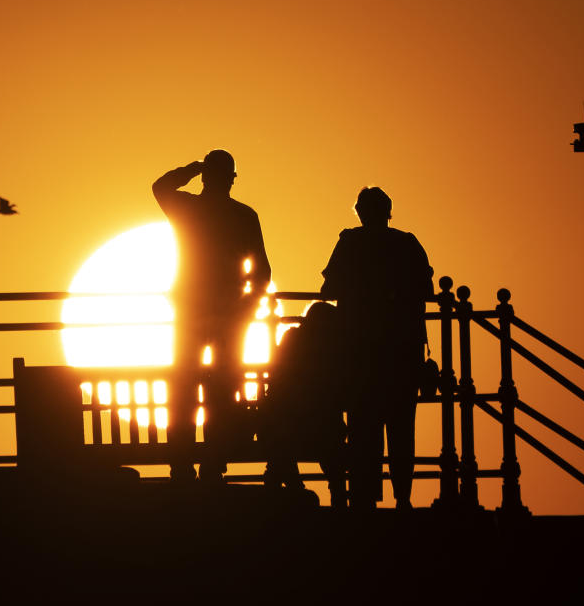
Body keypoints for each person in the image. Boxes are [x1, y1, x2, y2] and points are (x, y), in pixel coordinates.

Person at [153, 149, 271, 483]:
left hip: (191, 309)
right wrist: (247, 308)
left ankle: (182, 463)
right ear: (231, 179)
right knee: (222, 388)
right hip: (229, 314)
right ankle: (214, 462)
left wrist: (190, 168)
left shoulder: (188, 209)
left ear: (206, 176)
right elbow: (262, 270)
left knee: (184, 386)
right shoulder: (244, 216)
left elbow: (160, 187)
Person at [320, 187, 432, 509]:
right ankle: (403, 498)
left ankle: (364, 498)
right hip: (402, 353)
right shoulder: (407, 244)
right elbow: (426, 287)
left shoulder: (350, 243)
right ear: (388, 212)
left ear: (360, 212)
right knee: (401, 427)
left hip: (359, 354)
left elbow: (328, 289)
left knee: (362, 427)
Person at [261, 301, 348, 506]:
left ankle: (287, 482)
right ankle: (337, 496)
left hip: (287, 424)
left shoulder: (292, 339)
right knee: (332, 455)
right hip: (321, 427)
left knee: (281, 436)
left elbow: (277, 386)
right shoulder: (330, 352)